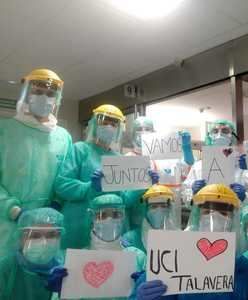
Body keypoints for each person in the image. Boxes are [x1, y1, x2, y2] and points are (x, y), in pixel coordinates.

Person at [133, 184, 248, 300]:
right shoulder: (177, 254)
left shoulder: (241, 266)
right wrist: (141, 293)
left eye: (224, 213)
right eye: (207, 212)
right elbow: (159, 284)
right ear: (197, 218)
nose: (214, 217)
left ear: (233, 221)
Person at [0, 69, 72, 257]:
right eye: (37, 92)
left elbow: (66, 177)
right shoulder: (5, 130)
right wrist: (14, 210)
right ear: (26, 94)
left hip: (47, 226)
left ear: (57, 98)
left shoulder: (63, 137)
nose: (44, 97)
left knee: (40, 278)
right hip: (6, 224)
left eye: (50, 94)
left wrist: (55, 205)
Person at [54, 104, 144, 249]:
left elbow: (124, 200)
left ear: (119, 129)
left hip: (110, 226)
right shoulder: (80, 149)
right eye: (104, 121)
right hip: (78, 221)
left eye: (114, 123)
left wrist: (142, 185)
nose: (109, 126)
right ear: (94, 124)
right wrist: (90, 187)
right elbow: (62, 185)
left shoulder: (120, 159)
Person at [46, 194, 146, 300]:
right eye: (102, 215)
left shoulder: (136, 257)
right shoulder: (76, 262)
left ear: (123, 216)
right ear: (91, 217)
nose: (109, 220)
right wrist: (63, 293)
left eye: (115, 214)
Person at [124, 115, 195, 232]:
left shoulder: (166, 158)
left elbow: (187, 168)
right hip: (137, 221)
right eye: (139, 129)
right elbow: (124, 198)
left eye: (147, 129)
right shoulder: (126, 160)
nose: (143, 132)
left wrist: (187, 148)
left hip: (168, 219)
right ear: (132, 134)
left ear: (154, 132)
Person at [0, 207, 65, 300]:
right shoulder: (6, 269)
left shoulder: (65, 270)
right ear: (21, 238)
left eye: (51, 235)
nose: (44, 242)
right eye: (35, 236)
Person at [183, 119, 246, 206]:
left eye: (225, 131)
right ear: (209, 137)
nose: (219, 135)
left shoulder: (241, 166)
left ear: (233, 136)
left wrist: (245, 197)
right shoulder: (198, 166)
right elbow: (185, 198)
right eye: (215, 131)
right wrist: (193, 194)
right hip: (205, 214)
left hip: (234, 215)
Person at [122, 184, 179, 252]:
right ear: (145, 209)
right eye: (154, 206)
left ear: (170, 208)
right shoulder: (132, 238)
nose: (159, 210)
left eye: (163, 206)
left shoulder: (179, 236)